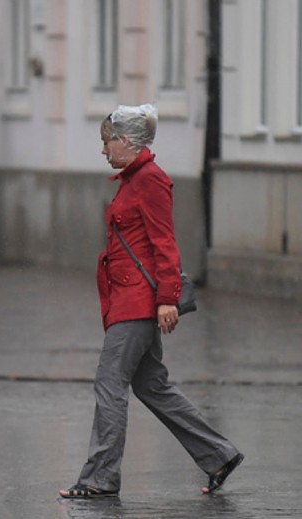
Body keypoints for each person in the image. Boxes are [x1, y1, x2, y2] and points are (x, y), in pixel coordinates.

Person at [59, 104, 243, 499]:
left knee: (110, 383)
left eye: (107, 141)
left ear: (126, 141)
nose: (103, 150)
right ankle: (218, 454)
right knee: (152, 386)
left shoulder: (150, 180)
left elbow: (165, 243)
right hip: (130, 299)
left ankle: (99, 478)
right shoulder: (132, 180)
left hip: (138, 303)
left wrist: (167, 300)